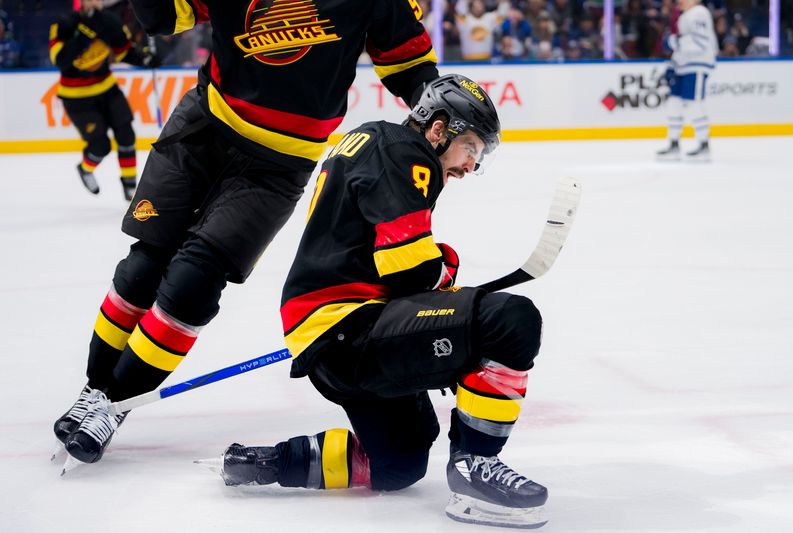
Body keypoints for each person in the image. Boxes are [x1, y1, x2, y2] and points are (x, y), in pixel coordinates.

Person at [53, 0, 439, 466]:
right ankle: (95, 392)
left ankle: (112, 406)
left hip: (276, 165)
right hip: (203, 127)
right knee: (144, 267)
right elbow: (161, 17)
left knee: (193, 284)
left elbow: (411, 69)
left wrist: (447, 120)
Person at [207, 74, 548, 529]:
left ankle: (265, 462)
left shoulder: (372, 140)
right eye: (470, 148)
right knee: (510, 319)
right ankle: (475, 469)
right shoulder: (402, 151)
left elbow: (382, 258)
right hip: (350, 326)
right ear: (438, 128)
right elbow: (410, 272)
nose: (469, 167)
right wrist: (445, 266)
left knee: (401, 461)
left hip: (330, 329)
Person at [49, 0, 158, 199]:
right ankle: (85, 168)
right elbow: (60, 60)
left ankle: (130, 187)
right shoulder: (64, 23)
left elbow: (123, 51)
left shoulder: (109, 21)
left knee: (126, 134)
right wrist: (83, 36)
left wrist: (144, 59)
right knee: (100, 146)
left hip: (107, 89)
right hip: (77, 98)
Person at [656, 0, 717, 162]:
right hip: (682, 67)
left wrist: (673, 42)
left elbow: (700, 42)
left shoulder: (698, 12)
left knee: (694, 104)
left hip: (695, 66)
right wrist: (672, 64)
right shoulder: (686, 15)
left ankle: (704, 145)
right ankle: (674, 144)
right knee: (674, 103)